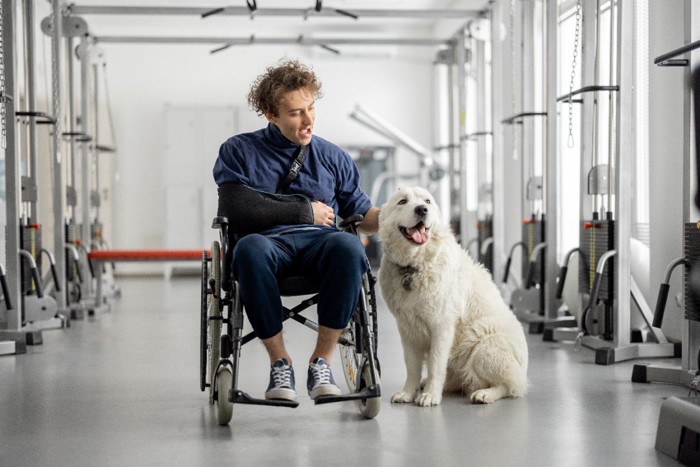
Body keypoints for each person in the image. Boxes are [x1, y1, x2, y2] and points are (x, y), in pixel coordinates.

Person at [213, 59, 380, 402]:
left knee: (350, 248)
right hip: (266, 246)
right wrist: (304, 210)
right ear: (270, 114)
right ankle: (281, 363)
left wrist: (403, 213)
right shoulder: (239, 150)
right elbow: (234, 207)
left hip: (322, 246)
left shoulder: (333, 157)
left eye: (311, 108)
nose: (308, 120)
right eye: (295, 113)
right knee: (248, 250)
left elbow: (360, 214)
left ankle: (322, 361)